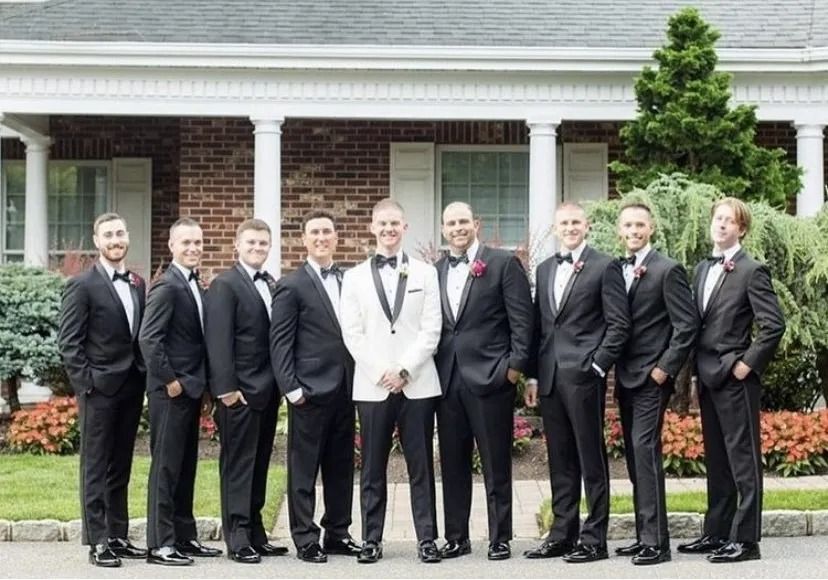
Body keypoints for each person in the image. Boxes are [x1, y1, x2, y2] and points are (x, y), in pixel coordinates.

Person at [678, 197, 785, 563]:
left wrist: (747, 364)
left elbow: (773, 325)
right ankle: (717, 531)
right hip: (707, 375)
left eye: (730, 220)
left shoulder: (752, 270)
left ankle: (746, 540)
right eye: (718, 218)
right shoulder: (700, 269)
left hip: (735, 377)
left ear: (742, 229)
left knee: (743, 459)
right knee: (718, 458)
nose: (722, 224)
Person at [523, 202, 630, 563]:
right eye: (563, 223)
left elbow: (619, 324)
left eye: (575, 222)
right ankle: (562, 534)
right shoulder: (545, 267)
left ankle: (595, 538)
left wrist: (597, 366)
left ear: (586, 226)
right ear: (555, 228)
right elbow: (540, 328)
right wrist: (534, 375)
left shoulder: (605, 266)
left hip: (585, 377)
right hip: (551, 377)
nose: (569, 227)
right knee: (559, 458)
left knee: (590, 458)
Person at [340, 198, 442, 564]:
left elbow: (432, 330)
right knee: (371, 467)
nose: (388, 229)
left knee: (422, 467)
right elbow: (352, 333)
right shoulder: (352, 278)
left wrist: (404, 370)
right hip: (372, 385)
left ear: (405, 227)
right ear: (372, 227)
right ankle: (371, 539)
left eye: (395, 223)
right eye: (382, 223)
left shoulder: (426, 273)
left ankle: (427, 539)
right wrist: (382, 371)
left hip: (417, 383)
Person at [433, 202, 533, 561]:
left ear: (476, 223)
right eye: (450, 223)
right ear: (443, 229)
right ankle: (457, 537)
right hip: (447, 381)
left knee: (495, 461)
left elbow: (523, 320)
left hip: (492, 377)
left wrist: (514, 368)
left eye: (463, 221)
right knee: (453, 463)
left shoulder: (503, 264)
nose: (457, 228)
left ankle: (500, 537)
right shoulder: (437, 269)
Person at [270, 210, 361, 563]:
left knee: (341, 466)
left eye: (327, 231)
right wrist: (292, 389)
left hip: (346, 388)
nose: (321, 237)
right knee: (304, 469)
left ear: (336, 237)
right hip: (307, 391)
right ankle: (306, 537)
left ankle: (337, 532)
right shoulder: (290, 285)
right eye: (314, 233)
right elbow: (279, 343)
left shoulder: (350, 280)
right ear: (304, 240)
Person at [58, 212, 148, 568]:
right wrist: (87, 386)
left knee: (120, 466)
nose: (115, 240)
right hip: (98, 390)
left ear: (127, 237)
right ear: (97, 241)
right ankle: (97, 541)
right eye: (108, 234)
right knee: (95, 466)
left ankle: (118, 535)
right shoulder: (82, 285)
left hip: (130, 387)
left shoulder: (138, 283)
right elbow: (69, 344)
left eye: (120, 233)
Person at [613, 203, 698, 565]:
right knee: (635, 456)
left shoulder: (667, 270)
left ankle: (657, 543)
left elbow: (687, 325)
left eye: (640, 225)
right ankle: (644, 534)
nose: (634, 230)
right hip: (625, 375)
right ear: (621, 230)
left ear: (651, 228)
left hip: (652, 377)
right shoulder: (618, 270)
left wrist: (665, 369)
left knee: (644, 450)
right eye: (628, 225)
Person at [204, 218, 288, 564]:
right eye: (251, 243)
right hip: (238, 394)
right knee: (238, 466)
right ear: (236, 246)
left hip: (266, 392)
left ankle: (256, 531)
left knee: (259, 464)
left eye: (263, 244)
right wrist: (225, 390)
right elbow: (218, 341)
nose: (257, 249)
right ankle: (237, 536)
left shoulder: (270, 283)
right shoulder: (225, 285)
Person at [139, 217, 221, 566]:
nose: (193, 248)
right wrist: (170, 380)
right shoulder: (167, 285)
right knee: (166, 468)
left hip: (191, 391)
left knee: (187, 466)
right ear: (171, 246)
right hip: (171, 392)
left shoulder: (195, 285)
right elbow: (149, 338)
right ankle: (160, 543)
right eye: (185, 242)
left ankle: (185, 537)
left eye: (198, 242)